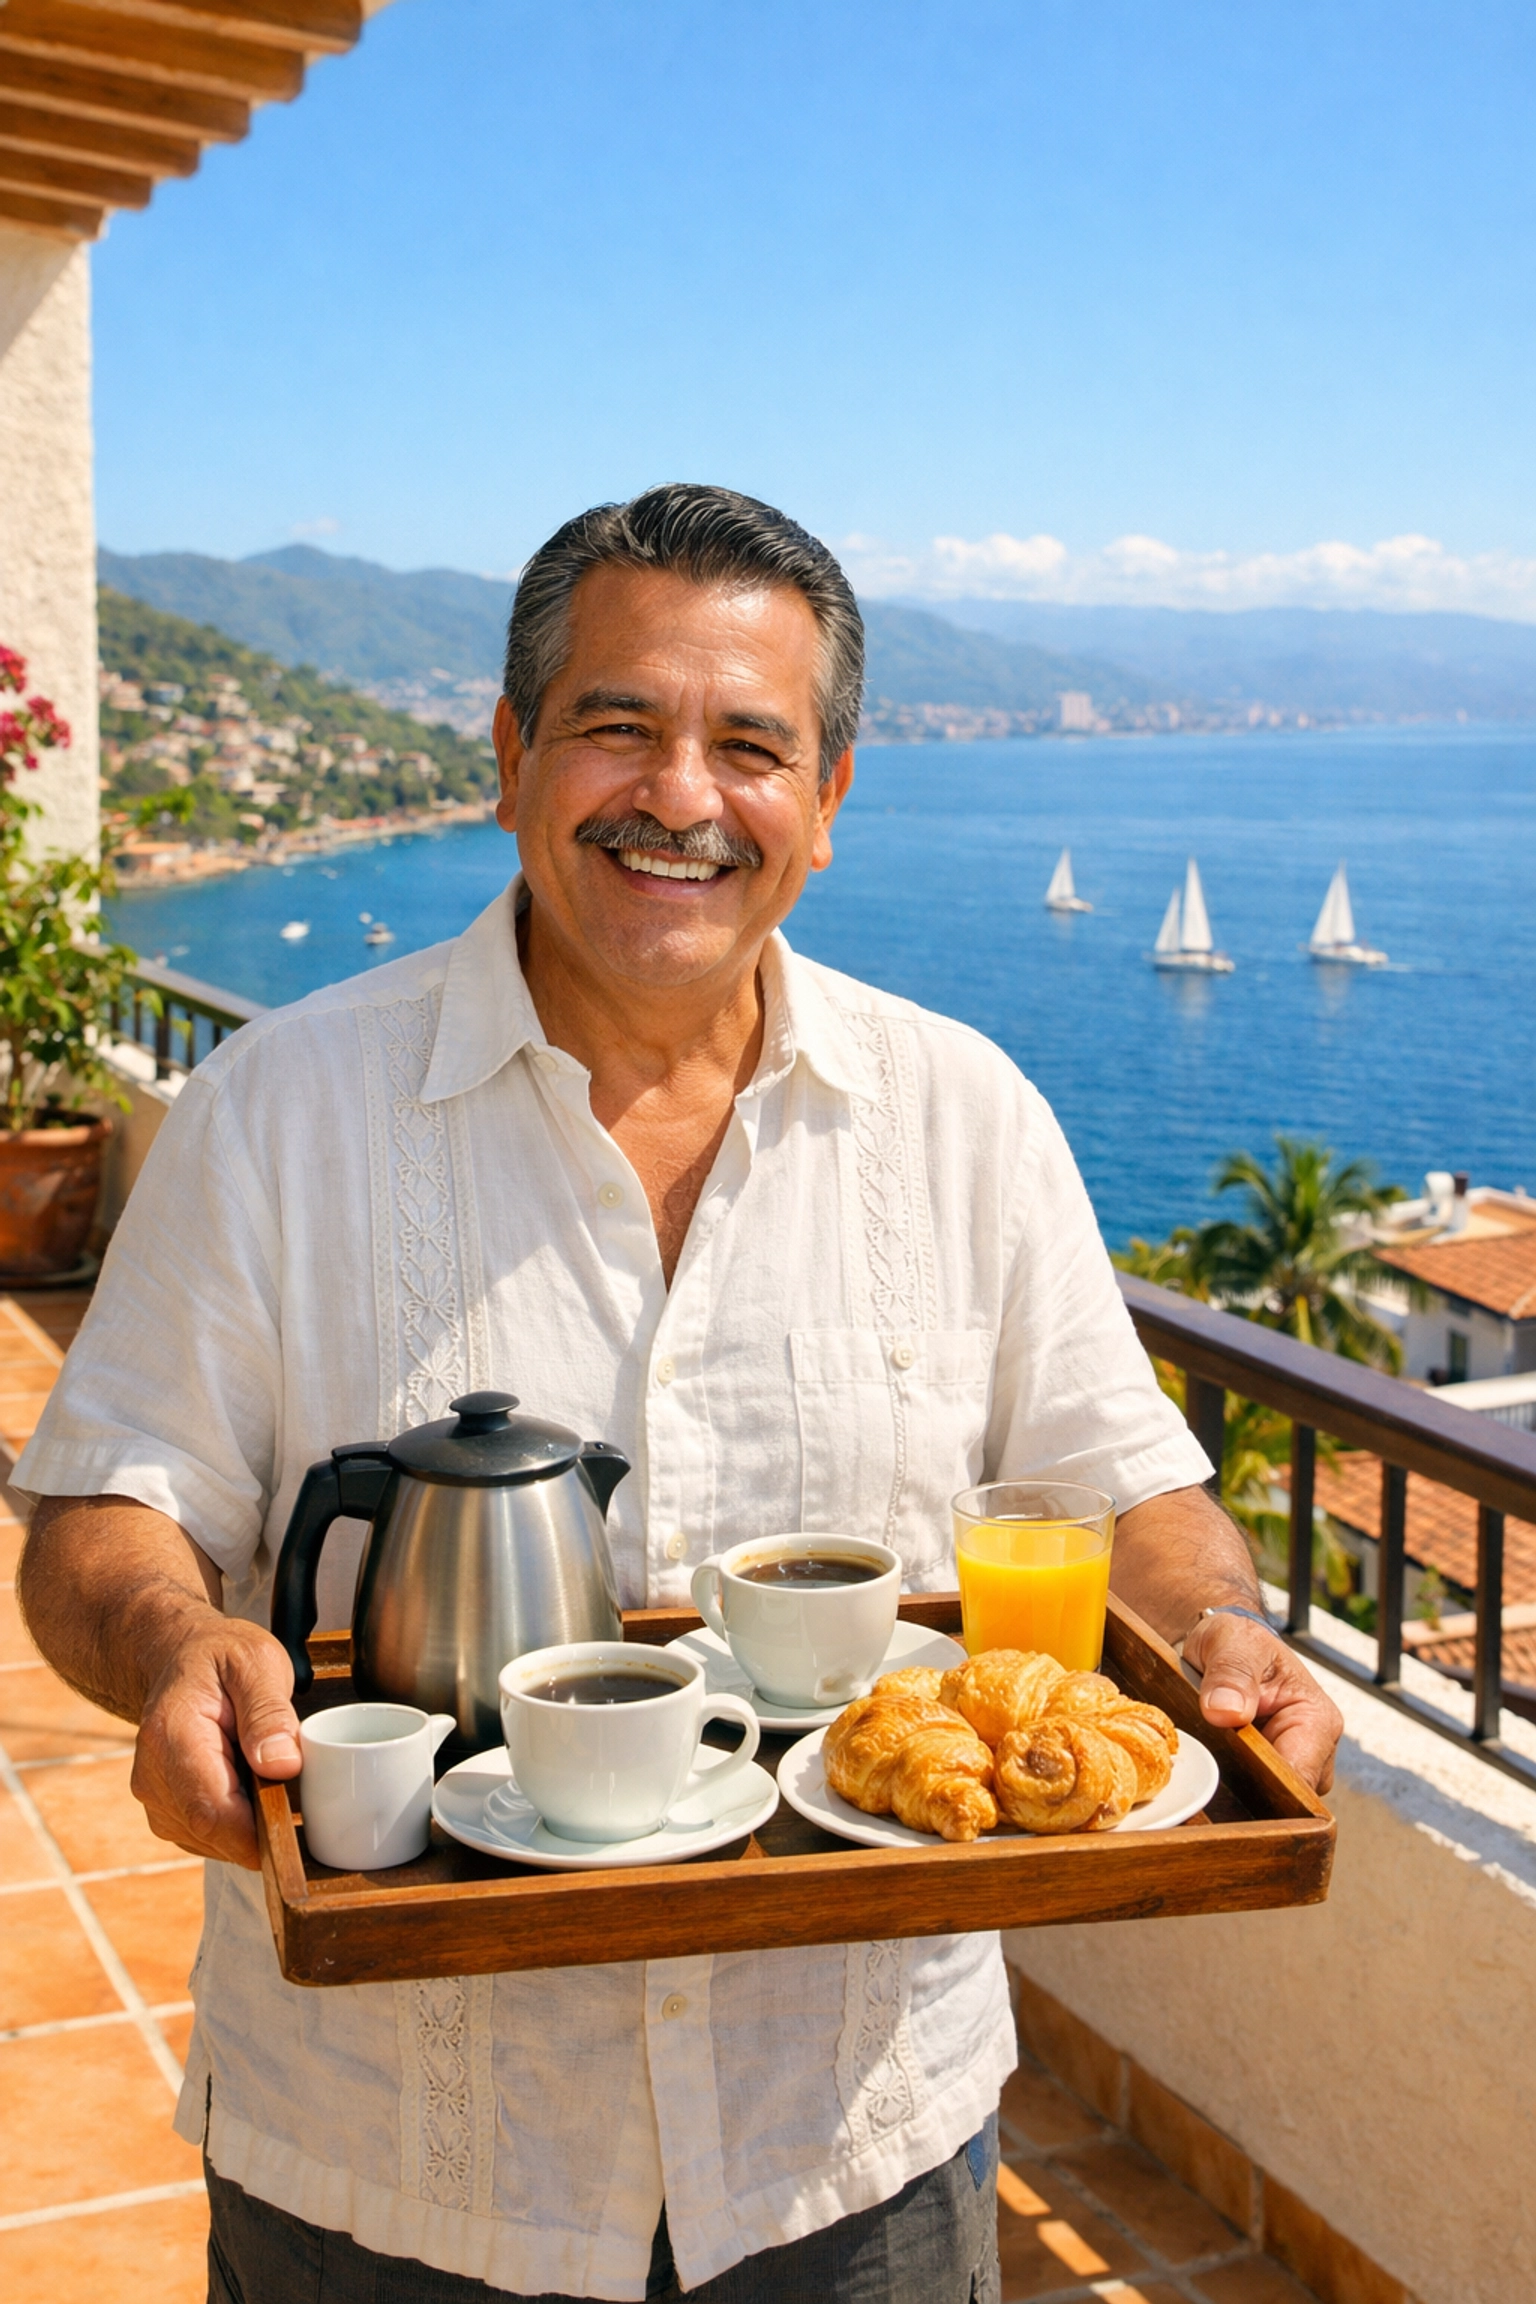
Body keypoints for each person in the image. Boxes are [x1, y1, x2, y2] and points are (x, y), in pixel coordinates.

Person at [16, 485, 1341, 2304]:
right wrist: (171, 1640)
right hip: (393, 2172)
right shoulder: (275, 1113)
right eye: (619, 726)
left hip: (855, 2158)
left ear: (831, 802)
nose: (683, 798)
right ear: (508, 753)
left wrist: (1221, 1638)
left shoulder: (965, 1116)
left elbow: (1119, 1493)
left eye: (751, 746)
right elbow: (106, 1510)